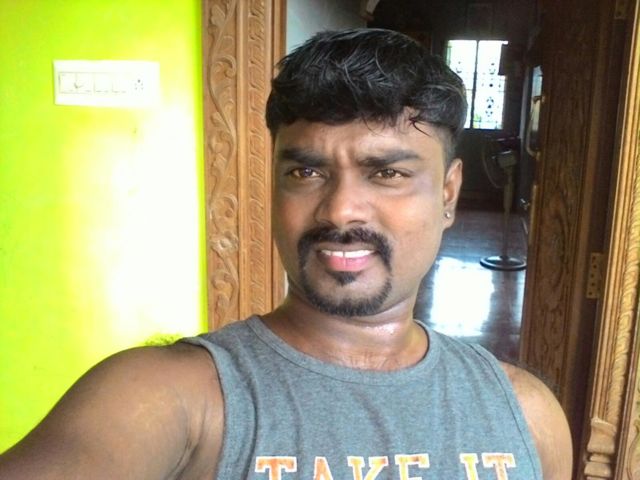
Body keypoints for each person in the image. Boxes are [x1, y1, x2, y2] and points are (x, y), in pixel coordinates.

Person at [0, 28, 571, 479]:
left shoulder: (527, 414)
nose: (340, 211)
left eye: (387, 173)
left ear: (447, 194)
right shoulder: (172, 399)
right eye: (306, 172)